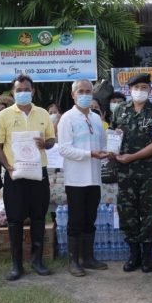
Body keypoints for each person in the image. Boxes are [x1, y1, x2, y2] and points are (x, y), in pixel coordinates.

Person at [0, 74, 56, 280]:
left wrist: (44, 144)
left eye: (26, 89)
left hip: (39, 173)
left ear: (33, 91)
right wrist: (7, 167)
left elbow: (51, 140)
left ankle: (37, 261)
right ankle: (16, 265)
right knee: (14, 220)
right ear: (12, 92)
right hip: (15, 174)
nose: (23, 93)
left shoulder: (43, 114)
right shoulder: (4, 116)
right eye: (18, 90)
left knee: (38, 217)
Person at [111, 73, 152, 273]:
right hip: (125, 173)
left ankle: (147, 255)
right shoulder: (120, 111)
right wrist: (112, 151)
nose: (140, 91)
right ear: (130, 90)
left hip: (149, 173)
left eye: (144, 87)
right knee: (127, 212)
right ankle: (133, 254)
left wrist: (132, 157)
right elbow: (113, 136)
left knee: (149, 213)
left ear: (150, 90)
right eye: (136, 87)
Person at [58, 79, 110, 276]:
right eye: (81, 91)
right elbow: (64, 149)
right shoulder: (67, 119)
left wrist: (111, 149)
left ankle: (88, 258)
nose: (85, 94)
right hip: (76, 179)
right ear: (73, 95)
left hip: (94, 178)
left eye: (88, 91)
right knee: (76, 220)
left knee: (90, 218)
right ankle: (74, 261)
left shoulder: (97, 119)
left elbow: (103, 145)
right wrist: (89, 154)